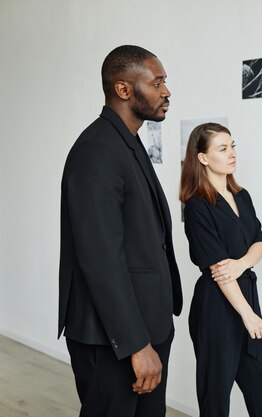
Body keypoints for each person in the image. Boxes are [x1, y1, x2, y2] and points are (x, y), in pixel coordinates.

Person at [58, 45, 183, 417]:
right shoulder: (96, 150)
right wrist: (135, 344)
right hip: (114, 339)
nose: (166, 91)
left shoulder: (126, 143)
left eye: (165, 82)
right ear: (124, 89)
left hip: (146, 328)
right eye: (157, 82)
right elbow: (100, 258)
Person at [180, 123, 262, 417]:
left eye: (233, 146)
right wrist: (248, 316)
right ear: (203, 158)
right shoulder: (197, 205)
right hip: (216, 309)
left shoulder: (242, 195)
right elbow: (220, 271)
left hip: (246, 295)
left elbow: (259, 243)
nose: (232, 153)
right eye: (223, 149)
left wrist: (242, 263)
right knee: (216, 400)